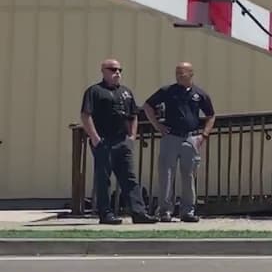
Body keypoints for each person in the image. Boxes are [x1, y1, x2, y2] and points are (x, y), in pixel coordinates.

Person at [80, 59, 156, 225]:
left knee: (129, 178)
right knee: (103, 179)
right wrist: (95, 138)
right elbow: (86, 115)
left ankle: (139, 213)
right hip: (104, 141)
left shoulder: (126, 92)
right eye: (113, 69)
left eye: (120, 70)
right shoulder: (94, 91)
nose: (117, 73)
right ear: (103, 71)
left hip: (122, 140)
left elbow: (133, 115)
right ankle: (106, 214)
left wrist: (132, 137)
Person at [144, 62, 216, 222]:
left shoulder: (199, 94)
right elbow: (148, 106)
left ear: (191, 74)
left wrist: (204, 135)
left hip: (191, 138)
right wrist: (157, 126)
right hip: (171, 136)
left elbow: (211, 115)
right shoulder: (167, 91)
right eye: (177, 73)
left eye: (181, 73)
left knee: (189, 175)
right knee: (166, 175)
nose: (178, 76)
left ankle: (188, 211)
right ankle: (165, 211)